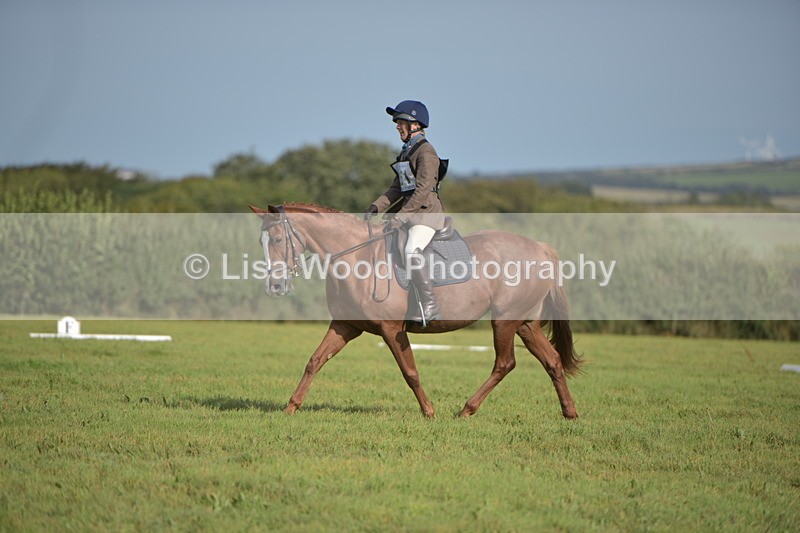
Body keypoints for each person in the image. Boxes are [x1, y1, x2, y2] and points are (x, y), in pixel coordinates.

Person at [364, 100, 447, 326]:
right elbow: (396, 188)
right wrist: (376, 206)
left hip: (425, 216)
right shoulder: (406, 152)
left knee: (412, 249)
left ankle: (430, 304)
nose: (397, 127)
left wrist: (399, 217)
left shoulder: (427, 152)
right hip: (409, 214)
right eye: (397, 123)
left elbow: (421, 192)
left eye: (401, 122)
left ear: (416, 125)